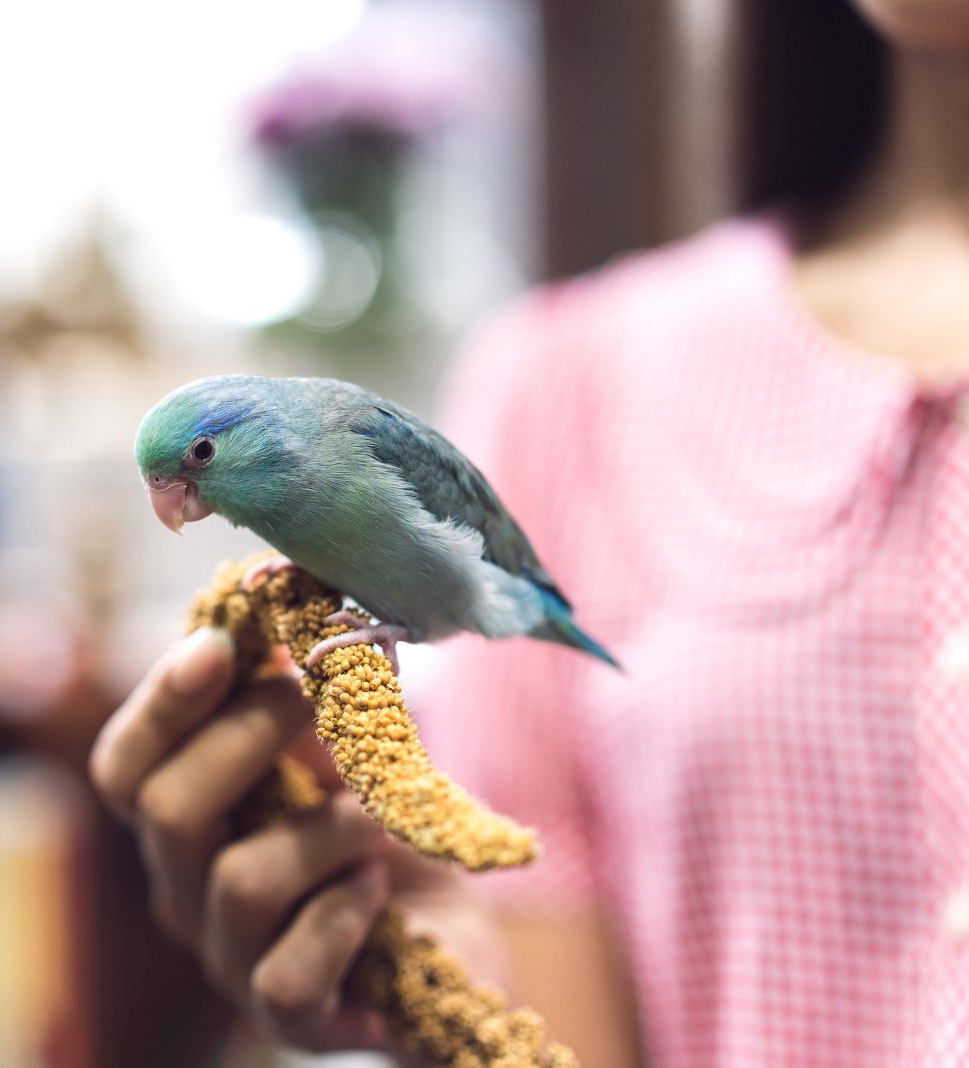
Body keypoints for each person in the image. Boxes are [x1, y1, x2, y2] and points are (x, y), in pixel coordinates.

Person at [89, 1, 969, 1064]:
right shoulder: (570, 384)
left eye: (192, 469)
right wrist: (448, 990)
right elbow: (541, 996)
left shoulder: (367, 443)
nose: (181, 499)